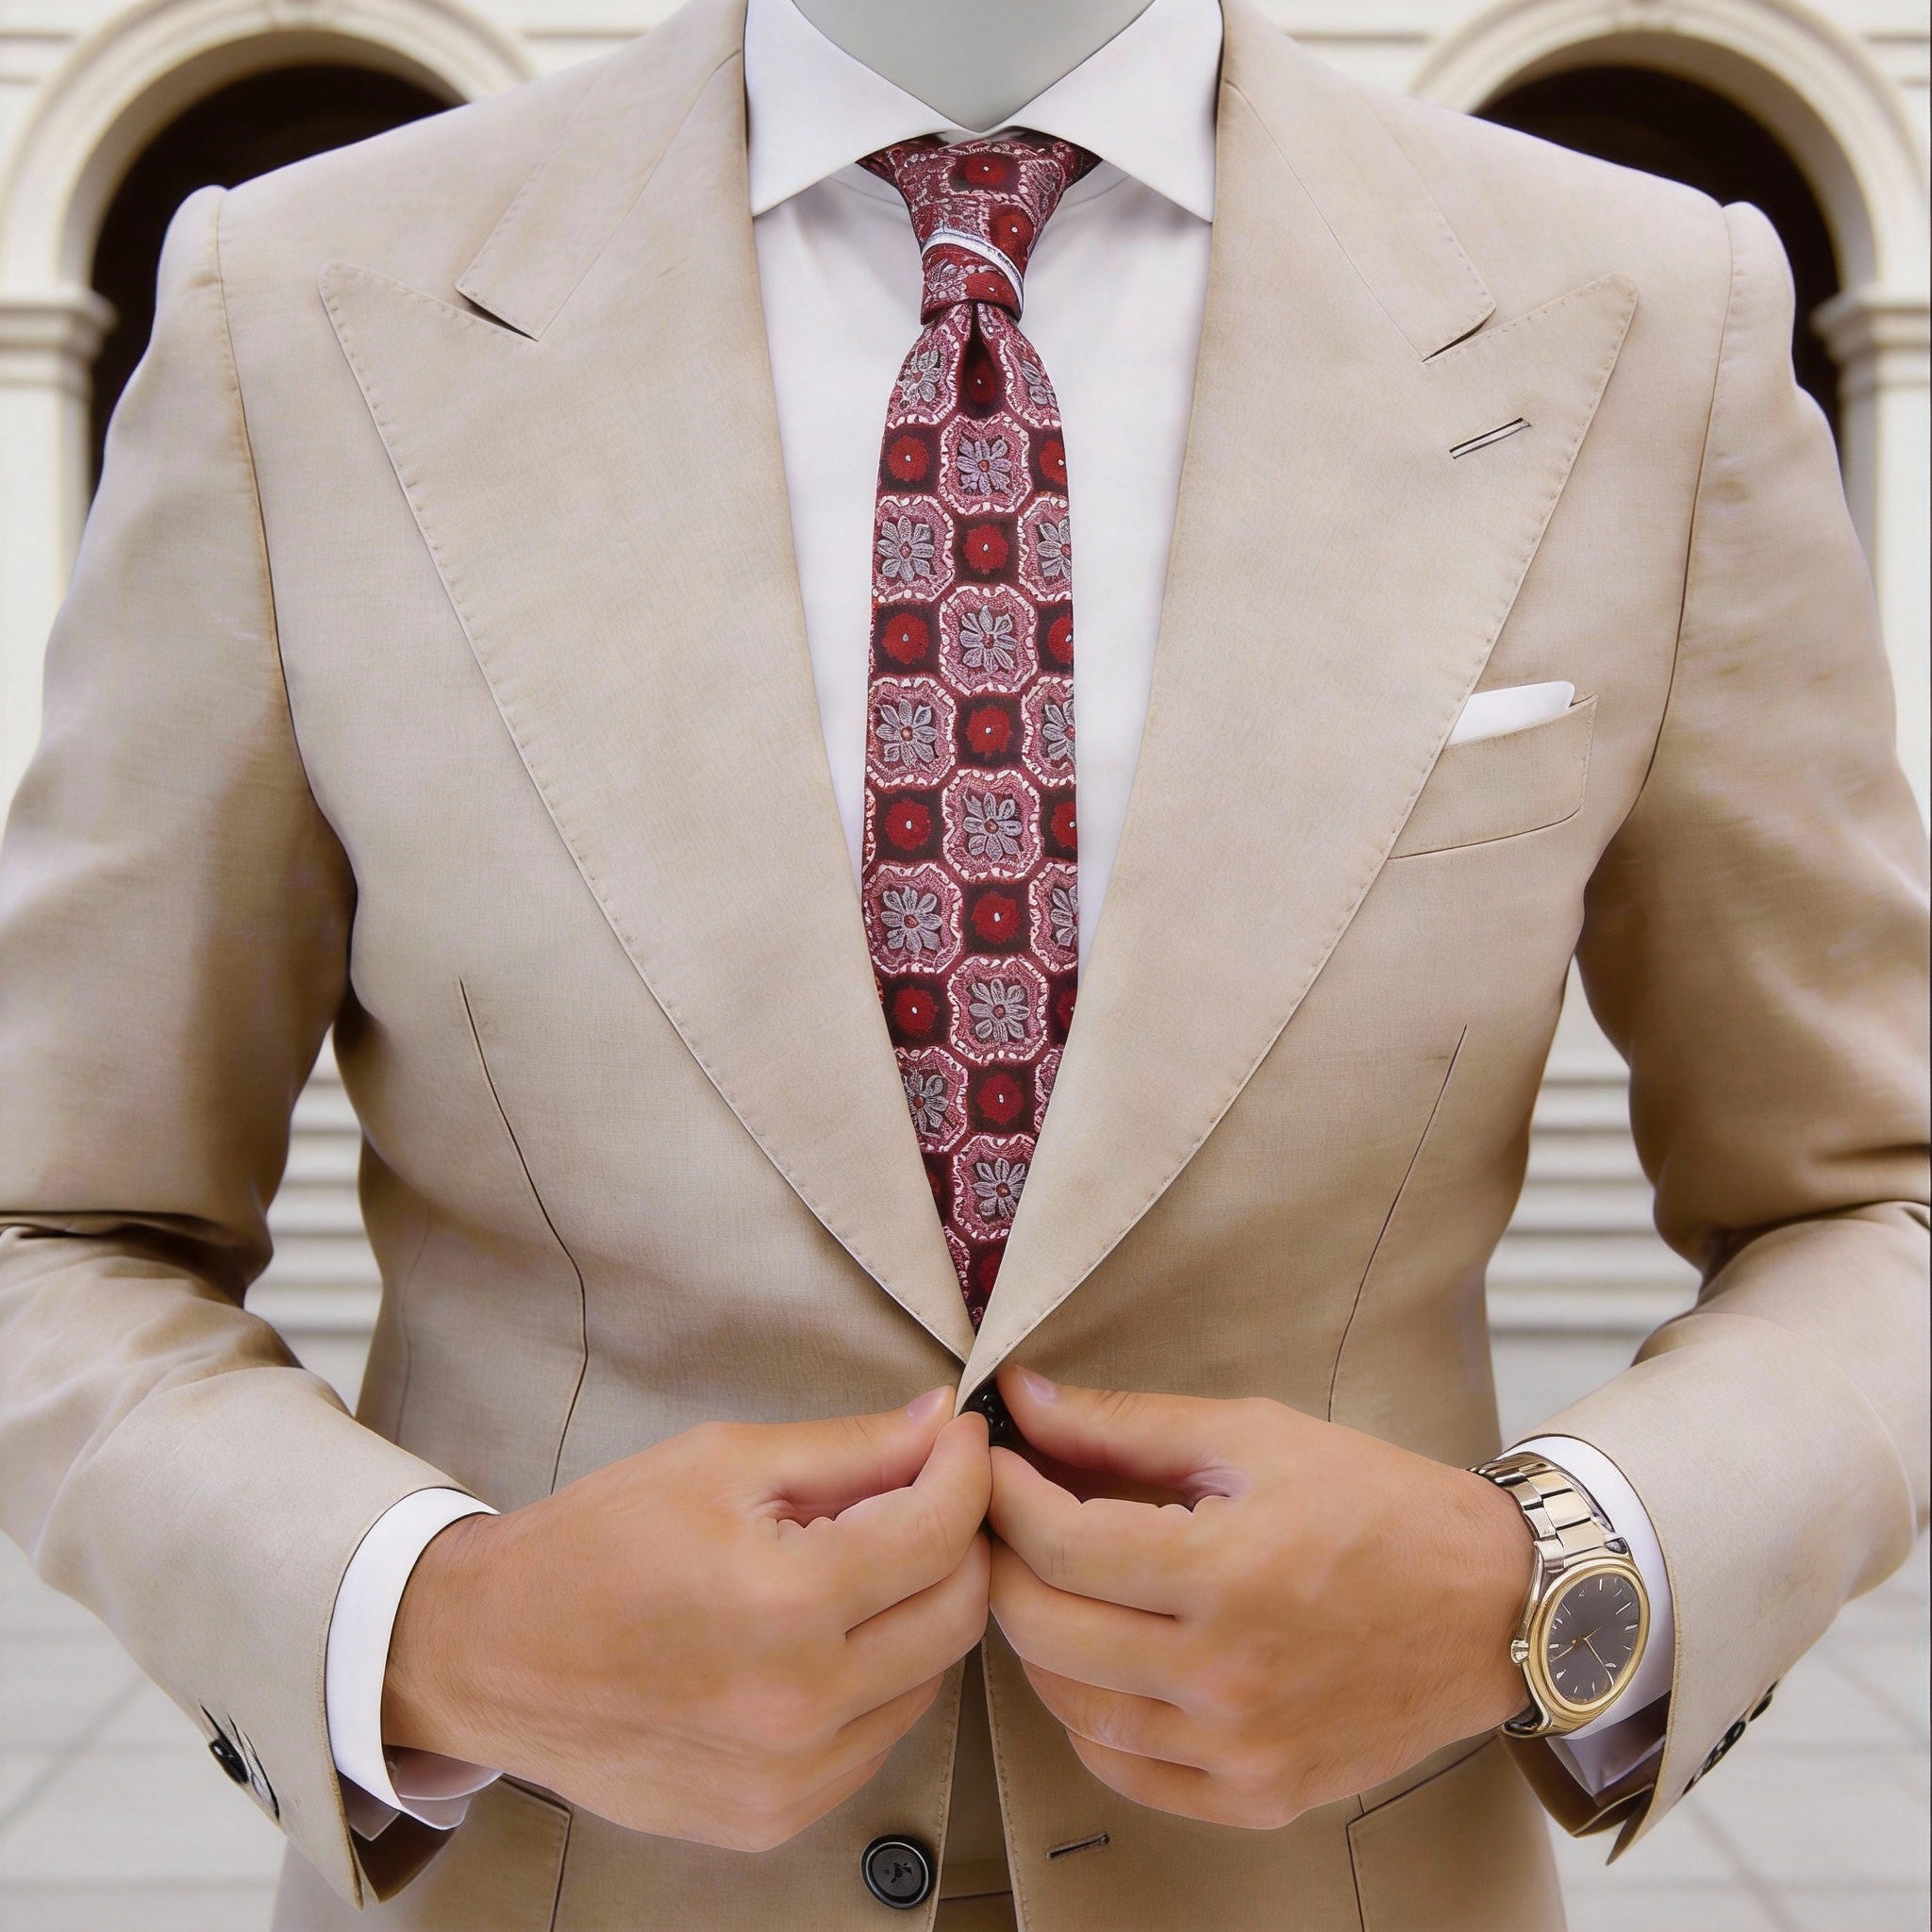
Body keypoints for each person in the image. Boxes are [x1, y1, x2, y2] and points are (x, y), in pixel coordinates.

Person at [0, 0, 1924, 1926]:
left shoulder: (1640, 311)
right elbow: (55, 1225)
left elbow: (1876, 1200)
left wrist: (1551, 1584)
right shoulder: (307, 303)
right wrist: (433, 1623)